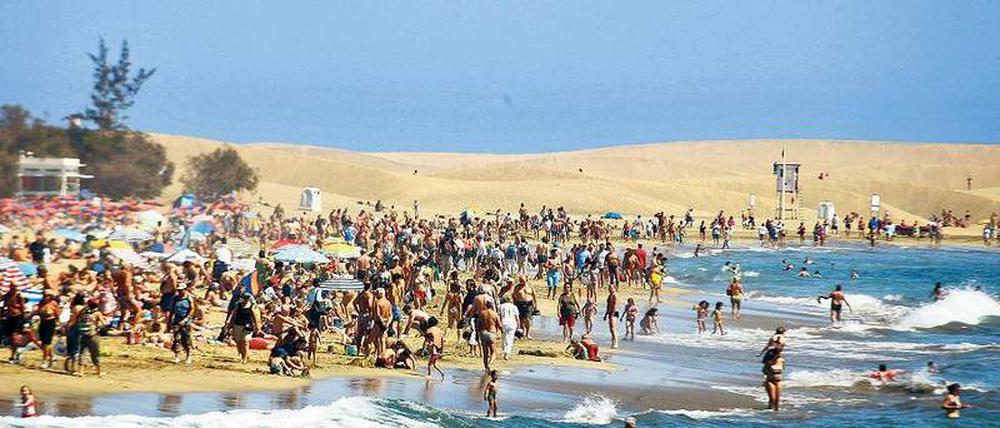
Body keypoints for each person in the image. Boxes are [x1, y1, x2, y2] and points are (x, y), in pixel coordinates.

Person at [169, 284, 196, 364]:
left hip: (185, 321)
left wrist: (186, 319)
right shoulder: (176, 298)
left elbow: (192, 309)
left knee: (186, 338)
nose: (180, 292)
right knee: (177, 338)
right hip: (177, 320)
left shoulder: (188, 298)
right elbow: (172, 311)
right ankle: (177, 356)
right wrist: (169, 321)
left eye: (181, 290)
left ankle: (188, 355)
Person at [33, 292, 61, 369]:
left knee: (46, 342)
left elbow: (57, 314)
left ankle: (45, 359)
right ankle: (52, 356)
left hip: (50, 322)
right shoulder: (41, 303)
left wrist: (58, 324)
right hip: (43, 322)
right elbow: (38, 311)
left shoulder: (53, 304)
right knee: (43, 342)